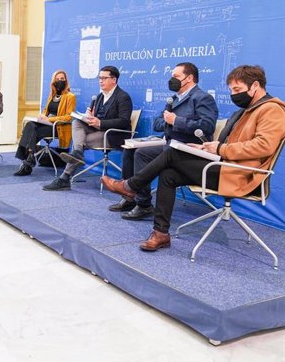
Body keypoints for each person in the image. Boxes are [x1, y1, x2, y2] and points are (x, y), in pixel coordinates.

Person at [102, 65, 285, 251]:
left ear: (255, 85)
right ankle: (161, 233)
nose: (233, 94)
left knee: (171, 153)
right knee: (168, 174)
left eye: (237, 90)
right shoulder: (247, 110)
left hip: (239, 174)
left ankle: (130, 186)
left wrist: (221, 148)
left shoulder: (271, 110)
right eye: (231, 90)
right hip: (223, 165)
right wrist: (205, 148)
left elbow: (263, 146)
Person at [110, 62, 219, 220]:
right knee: (130, 150)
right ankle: (133, 199)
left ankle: (140, 201)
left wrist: (176, 121)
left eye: (176, 76)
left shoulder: (202, 98)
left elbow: (208, 126)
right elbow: (157, 124)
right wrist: (170, 121)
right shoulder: (173, 99)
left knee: (142, 154)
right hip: (169, 145)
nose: (171, 79)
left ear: (189, 78)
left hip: (189, 149)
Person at [43, 65, 132, 190]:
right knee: (76, 122)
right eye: (99, 78)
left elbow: (124, 121)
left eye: (104, 78)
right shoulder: (100, 96)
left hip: (114, 134)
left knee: (81, 141)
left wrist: (100, 123)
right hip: (98, 129)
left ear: (114, 80)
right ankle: (77, 153)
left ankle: (65, 177)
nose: (100, 81)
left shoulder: (123, 97)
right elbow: (97, 117)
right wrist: (89, 116)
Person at [14, 70, 76, 176]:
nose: (60, 81)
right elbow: (46, 111)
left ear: (66, 80)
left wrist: (50, 120)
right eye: (57, 79)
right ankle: (30, 156)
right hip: (46, 124)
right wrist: (42, 116)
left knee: (34, 130)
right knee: (30, 125)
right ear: (53, 81)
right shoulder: (52, 95)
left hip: (58, 127)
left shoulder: (70, 96)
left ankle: (28, 163)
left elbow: (69, 117)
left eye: (62, 79)